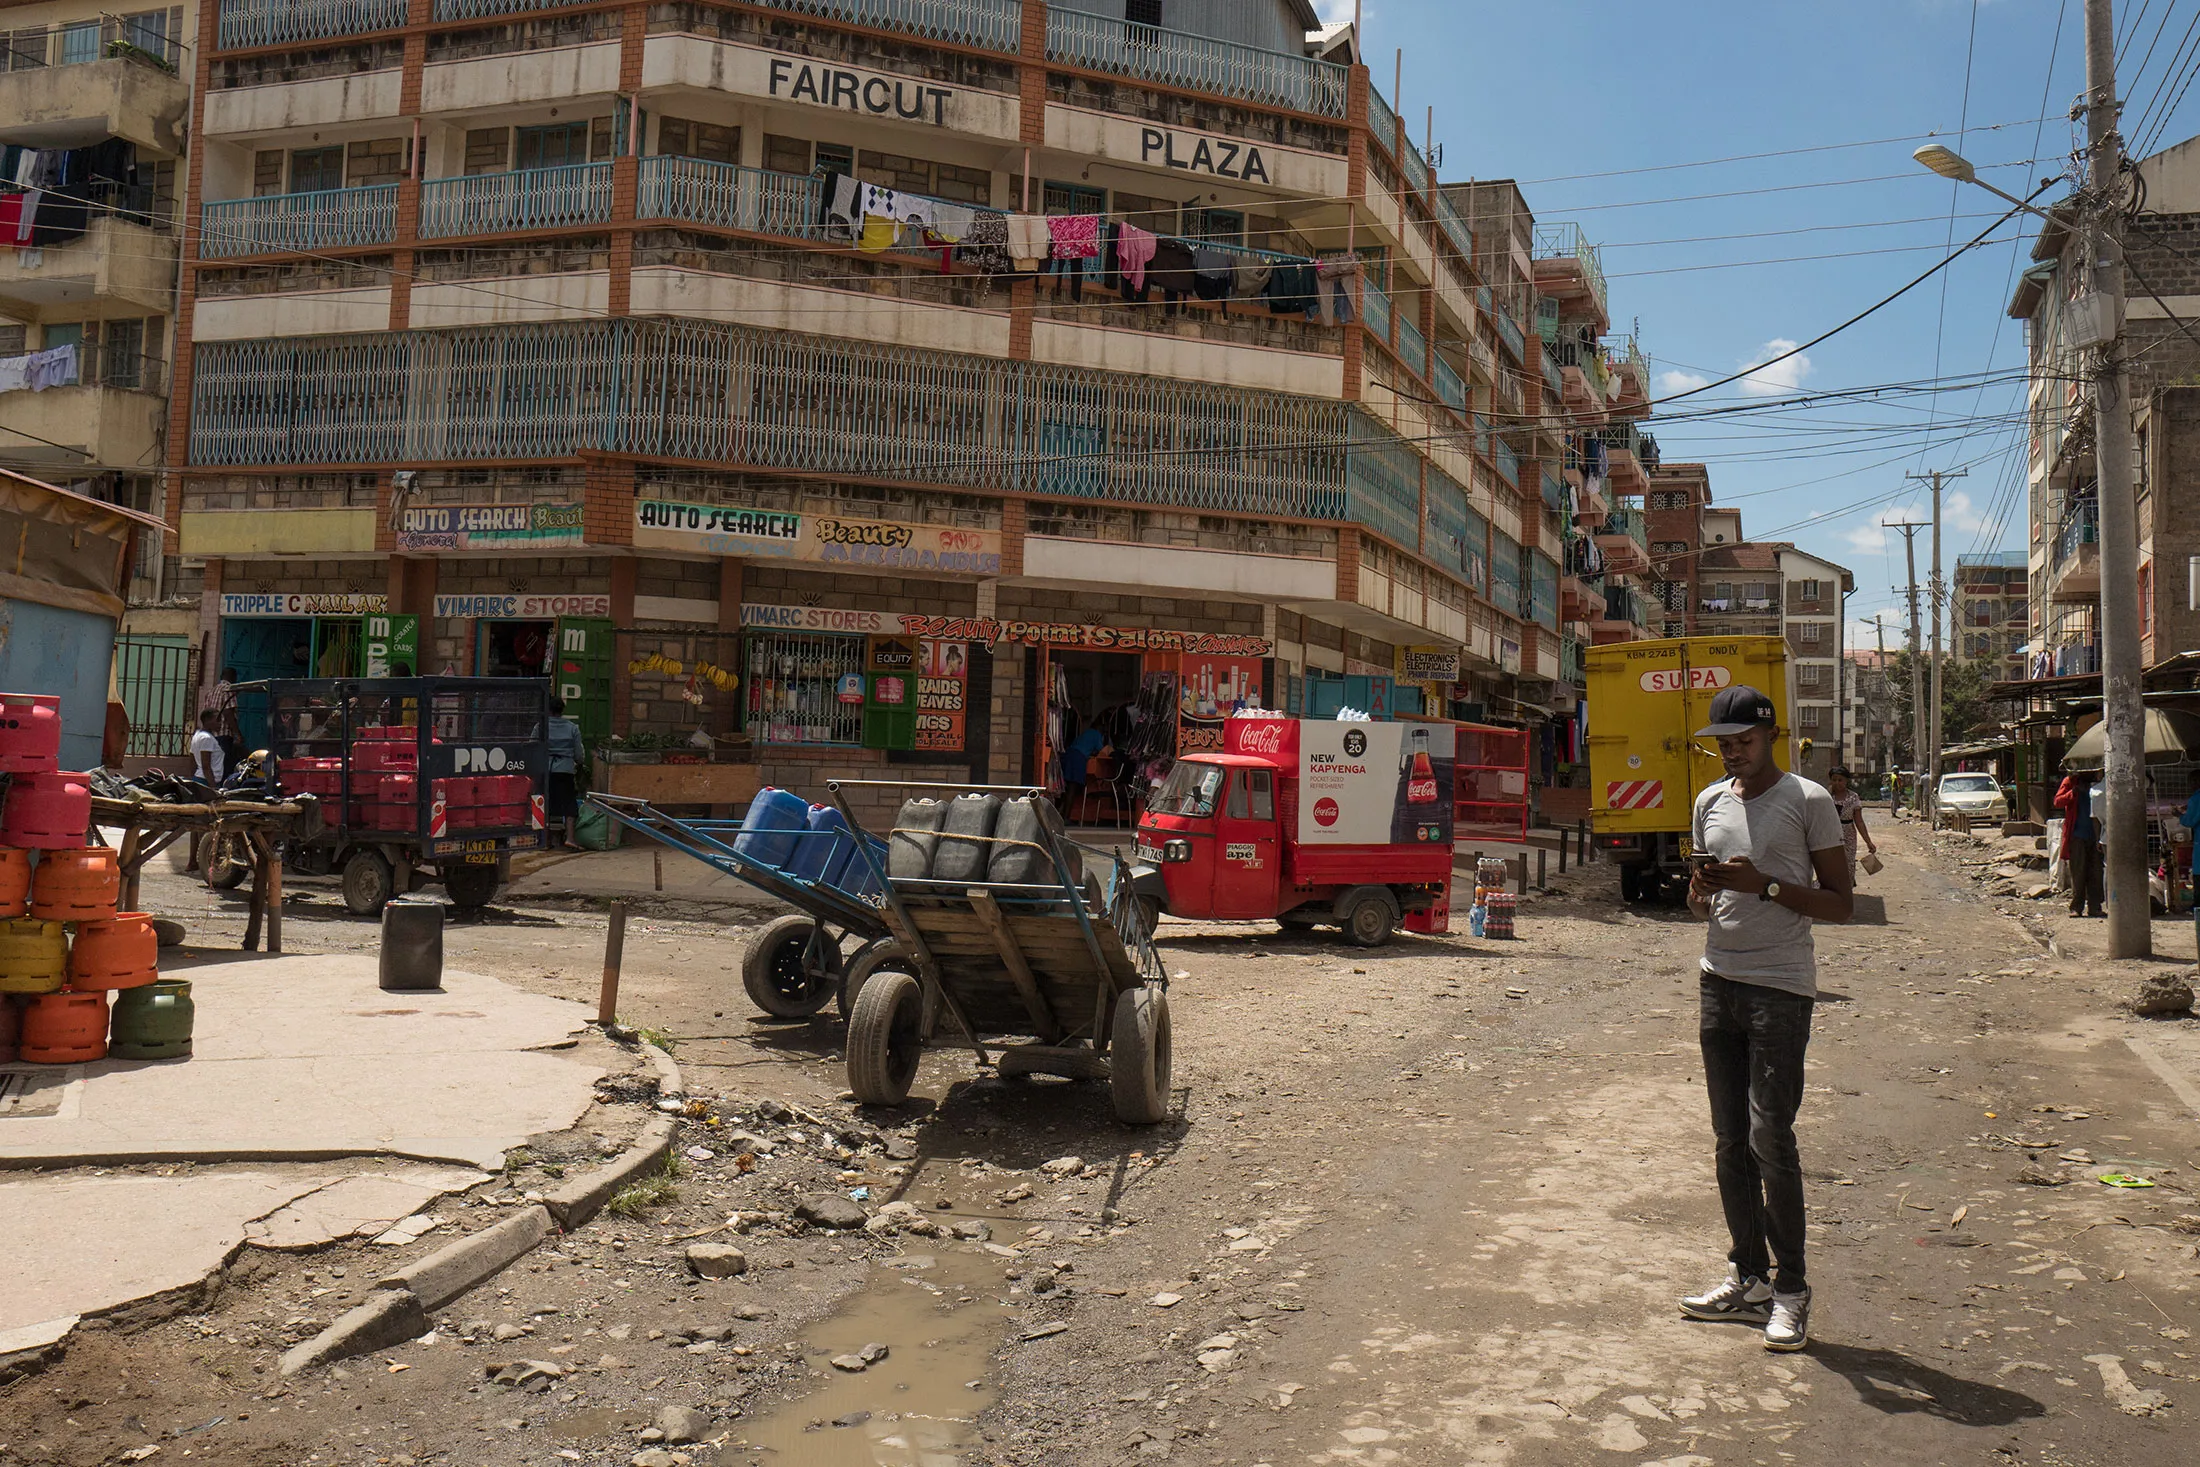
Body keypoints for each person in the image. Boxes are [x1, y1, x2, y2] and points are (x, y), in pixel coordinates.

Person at [1681, 685, 1853, 1353]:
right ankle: (1748, 1276)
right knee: (1729, 1142)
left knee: (1769, 1138)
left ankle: (1792, 1289)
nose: (1732, 750)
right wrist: (1700, 892)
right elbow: (1706, 908)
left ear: (1771, 734)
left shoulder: (1807, 800)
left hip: (1780, 989)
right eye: (1723, 741)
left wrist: (1769, 885)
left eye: (1743, 740)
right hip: (1716, 983)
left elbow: (1841, 904)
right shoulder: (1709, 802)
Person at [2054, 768, 2104, 918]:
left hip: (2097, 834)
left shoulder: (2100, 783)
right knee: (2078, 872)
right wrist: (2073, 792)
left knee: (2096, 871)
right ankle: (2077, 907)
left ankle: (2095, 906)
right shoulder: (2070, 782)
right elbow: (2058, 801)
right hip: (2077, 835)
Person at [545, 696, 585, 849]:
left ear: (548, 710)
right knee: (569, 803)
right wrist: (579, 763)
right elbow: (579, 754)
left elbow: (532, 747)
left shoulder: (541, 727)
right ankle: (570, 838)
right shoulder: (572, 728)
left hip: (546, 770)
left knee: (545, 803)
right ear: (562, 711)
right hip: (565, 770)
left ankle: (545, 840)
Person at [1825, 766, 1876, 878]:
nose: (1837, 783)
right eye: (1834, 780)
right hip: (1829, 835)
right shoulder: (1825, 796)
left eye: (1840, 780)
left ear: (1846, 781)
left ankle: (1845, 890)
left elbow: (1859, 822)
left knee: (1848, 863)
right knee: (1829, 864)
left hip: (1848, 835)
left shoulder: (1853, 797)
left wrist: (1868, 842)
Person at [189, 708, 225, 787]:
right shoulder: (206, 738)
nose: (220, 724)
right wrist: (213, 787)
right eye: (217, 720)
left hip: (199, 778)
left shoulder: (197, 735)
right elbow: (206, 766)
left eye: (221, 721)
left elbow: (192, 761)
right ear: (207, 720)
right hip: (206, 781)